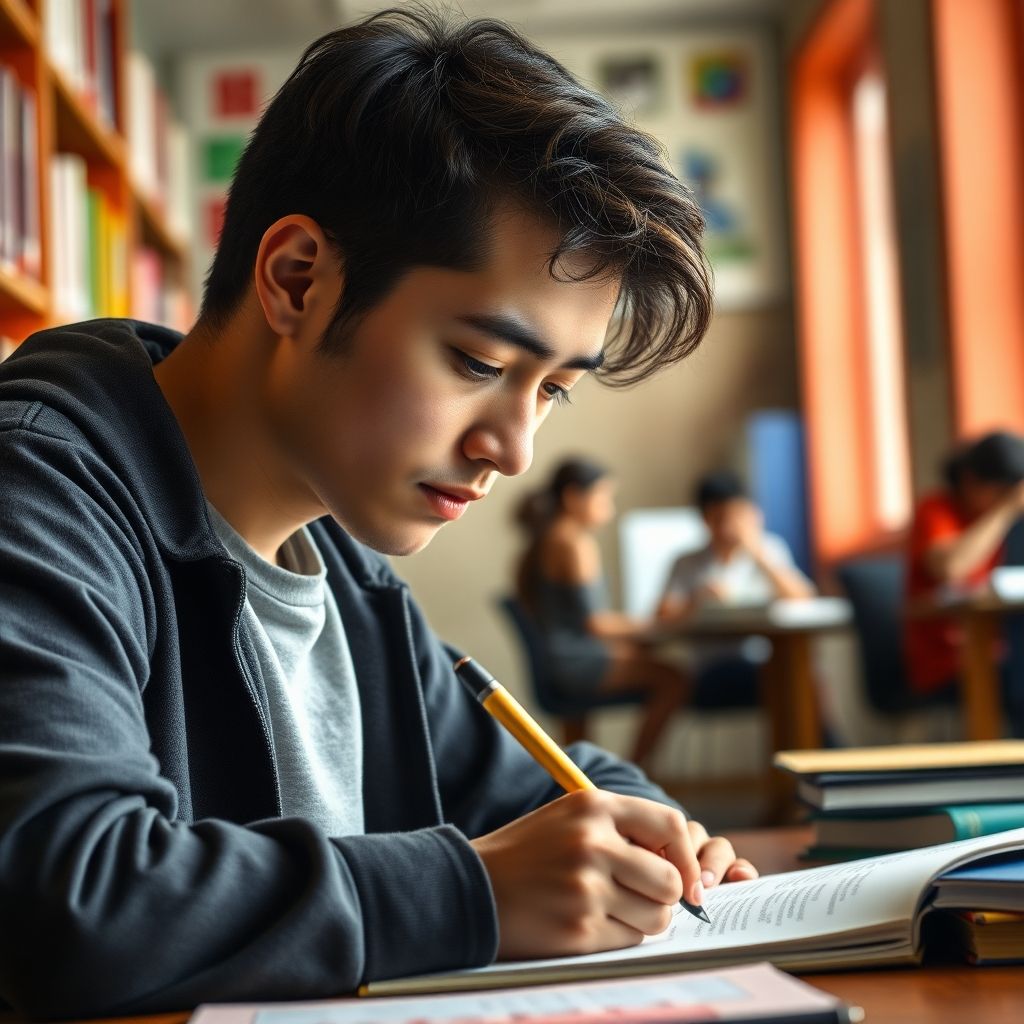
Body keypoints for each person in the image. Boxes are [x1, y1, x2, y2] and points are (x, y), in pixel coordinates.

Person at [0, 8, 757, 1017]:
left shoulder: (346, 578)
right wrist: (474, 890)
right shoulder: (40, 498)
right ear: (297, 279)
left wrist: (652, 838)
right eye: (479, 363)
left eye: (550, 390)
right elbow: (73, 898)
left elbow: (543, 783)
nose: (512, 448)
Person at [514, 459, 690, 768]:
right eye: (603, 496)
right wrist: (659, 623)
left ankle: (613, 773)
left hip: (560, 657)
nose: (609, 507)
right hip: (574, 662)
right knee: (673, 678)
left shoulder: (550, 538)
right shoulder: (573, 543)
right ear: (573, 498)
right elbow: (596, 624)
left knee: (647, 651)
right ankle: (634, 769)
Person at [655, 471, 815, 705]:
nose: (729, 527)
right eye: (719, 518)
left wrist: (758, 554)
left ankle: (825, 742)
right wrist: (697, 599)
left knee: (805, 676)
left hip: (765, 657)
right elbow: (661, 616)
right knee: (790, 680)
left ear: (752, 514)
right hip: (711, 666)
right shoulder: (688, 562)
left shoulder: (769, 549)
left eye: (736, 516)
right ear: (704, 520)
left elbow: (804, 598)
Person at [903, 431, 1024, 729]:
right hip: (949, 661)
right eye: (998, 492)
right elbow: (951, 569)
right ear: (970, 480)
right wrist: (1005, 510)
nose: (1003, 500)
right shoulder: (936, 509)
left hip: (1003, 650)